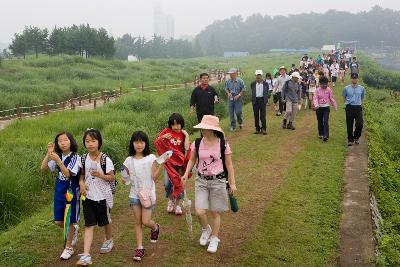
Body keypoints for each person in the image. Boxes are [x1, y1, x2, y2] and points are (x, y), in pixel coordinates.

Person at [181, 115, 236, 254]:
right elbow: (192, 160)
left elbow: (229, 165)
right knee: (199, 211)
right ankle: (206, 229)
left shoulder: (223, 144)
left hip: (218, 181)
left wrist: (233, 184)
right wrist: (186, 174)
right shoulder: (197, 143)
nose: (202, 130)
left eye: (205, 128)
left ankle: (215, 238)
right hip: (201, 181)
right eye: (202, 128)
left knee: (215, 212)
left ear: (213, 130)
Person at [121, 131, 164, 261]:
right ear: (132, 143)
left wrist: (163, 164)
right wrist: (124, 179)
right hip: (134, 194)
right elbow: (125, 178)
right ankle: (139, 248)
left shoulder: (151, 158)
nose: (139, 145)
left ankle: (155, 227)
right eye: (136, 142)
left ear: (145, 143)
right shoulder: (128, 160)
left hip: (148, 194)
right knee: (138, 222)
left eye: (142, 142)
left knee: (146, 221)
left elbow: (154, 177)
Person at [77, 129, 115, 266]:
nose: (90, 144)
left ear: (99, 142)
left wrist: (100, 175)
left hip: (103, 196)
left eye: (93, 141)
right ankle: (86, 255)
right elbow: (81, 175)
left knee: (105, 221)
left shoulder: (105, 159)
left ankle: (109, 239)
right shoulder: (83, 158)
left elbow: (112, 177)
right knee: (89, 225)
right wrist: (81, 184)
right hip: (88, 195)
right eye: (87, 141)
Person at [40, 131, 80, 260]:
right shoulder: (57, 156)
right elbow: (43, 168)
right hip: (59, 191)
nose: (62, 143)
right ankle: (73, 230)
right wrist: (49, 153)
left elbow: (68, 174)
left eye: (65, 140)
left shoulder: (75, 157)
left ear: (71, 141)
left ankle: (68, 248)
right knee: (58, 221)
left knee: (69, 219)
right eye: (60, 141)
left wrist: (58, 161)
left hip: (71, 192)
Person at [154, 113, 190, 215]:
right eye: (173, 124)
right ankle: (171, 199)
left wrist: (187, 135)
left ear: (181, 124)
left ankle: (178, 205)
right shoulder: (166, 131)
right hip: (168, 162)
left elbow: (187, 148)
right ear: (170, 125)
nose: (176, 127)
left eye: (178, 124)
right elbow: (157, 143)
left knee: (179, 183)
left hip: (179, 163)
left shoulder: (183, 134)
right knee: (167, 183)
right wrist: (163, 137)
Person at [342, 73, 365, 146]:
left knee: (360, 124)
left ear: (358, 79)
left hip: (358, 107)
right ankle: (350, 140)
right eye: (353, 78)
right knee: (349, 124)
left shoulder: (362, 88)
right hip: (349, 107)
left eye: (355, 78)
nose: (354, 79)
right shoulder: (346, 88)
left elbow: (362, 97)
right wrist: (346, 104)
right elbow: (344, 96)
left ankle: (356, 137)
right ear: (351, 79)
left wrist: (361, 104)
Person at [313, 76, 338, 141]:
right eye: (323, 84)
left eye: (325, 84)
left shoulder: (329, 89)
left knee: (325, 121)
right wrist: (316, 105)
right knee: (320, 121)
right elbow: (315, 98)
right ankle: (321, 133)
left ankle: (326, 135)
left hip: (326, 108)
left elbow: (331, 98)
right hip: (319, 108)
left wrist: (335, 106)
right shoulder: (317, 90)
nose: (324, 85)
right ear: (320, 83)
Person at [250, 70, 269, 135]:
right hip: (255, 101)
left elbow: (267, 91)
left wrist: (266, 100)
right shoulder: (252, 84)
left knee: (263, 115)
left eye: (259, 76)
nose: (258, 78)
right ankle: (257, 129)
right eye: (257, 76)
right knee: (256, 115)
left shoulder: (265, 84)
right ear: (255, 76)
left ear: (261, 76)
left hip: (262, 100)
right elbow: (252, 91)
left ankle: (264, 129)